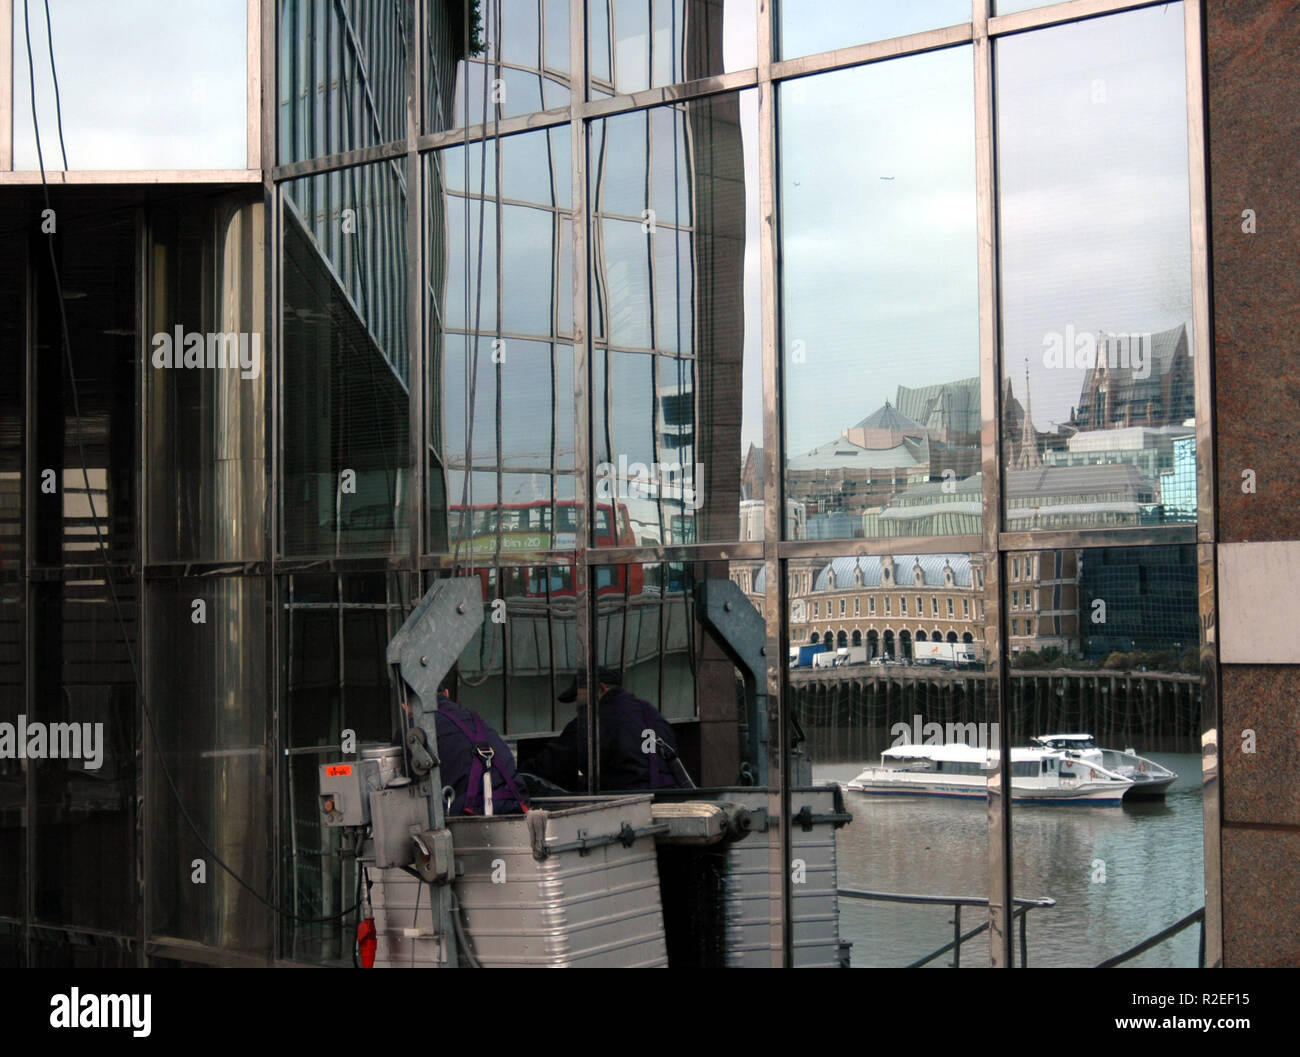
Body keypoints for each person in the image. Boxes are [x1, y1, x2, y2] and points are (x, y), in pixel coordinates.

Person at [526, 667, 692, 792]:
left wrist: (519, 776)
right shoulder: (649, 711)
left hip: (627, 806)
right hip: (668, 798)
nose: (578, 703)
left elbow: (553, 765)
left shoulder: (596, 720)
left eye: (580, 694)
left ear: (601, 687)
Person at [403, 687, 529, 816]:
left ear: (405, 706)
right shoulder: (475, 718)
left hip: (473, 815)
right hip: (517, 804)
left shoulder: (411, 733)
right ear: (447, 693)